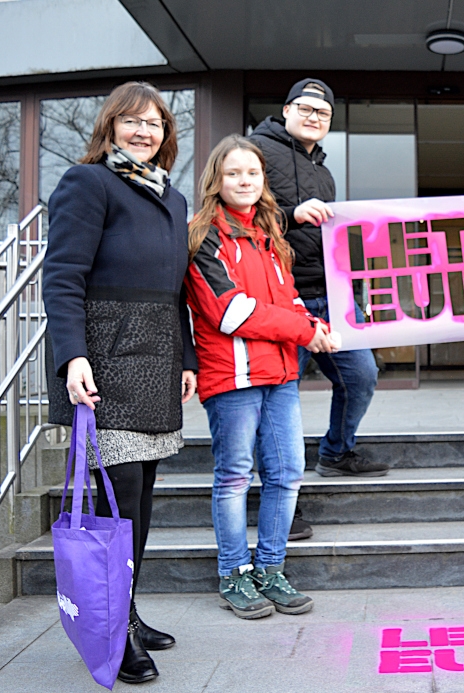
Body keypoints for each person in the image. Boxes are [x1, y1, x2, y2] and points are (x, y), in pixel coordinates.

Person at [43, 81, 196, 684]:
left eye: (154, 124)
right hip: (104, 364)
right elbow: (62, 276)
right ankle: (115, 627)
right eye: (131, 121)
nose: (143, 131)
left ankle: (125, 613)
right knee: (119, 502)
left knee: (140, 500)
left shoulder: (173, 198)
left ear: (167, 136)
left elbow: (176, 291)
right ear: (110, 127)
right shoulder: (89, 184)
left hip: (156, 363)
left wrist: (185, 356)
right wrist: (71, 357)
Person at [185, 134, 335, 619]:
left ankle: (270, 570)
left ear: (263, 179)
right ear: (216, 179)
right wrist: (302, 329)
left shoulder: (271, 235)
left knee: (288, 474)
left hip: (280, 374)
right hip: (232, 377)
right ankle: (234, 574)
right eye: (233, 173)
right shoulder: (204, 233)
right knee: (233, 477)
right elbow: (230, 312)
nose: (244, 181)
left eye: (252, 172)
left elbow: (287, 299)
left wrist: (313, 325)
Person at [250, 78, 385, 542]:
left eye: (323, 114)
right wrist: (291, 214)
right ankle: (281, 499)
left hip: (330, 298)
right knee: (279, 403)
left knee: (361, 375)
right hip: (282, 299)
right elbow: (243, 213)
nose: (314, 118)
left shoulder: (324, 172)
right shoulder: (255, 151)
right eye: (305, 109)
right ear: (285, 110)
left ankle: (336, 452)